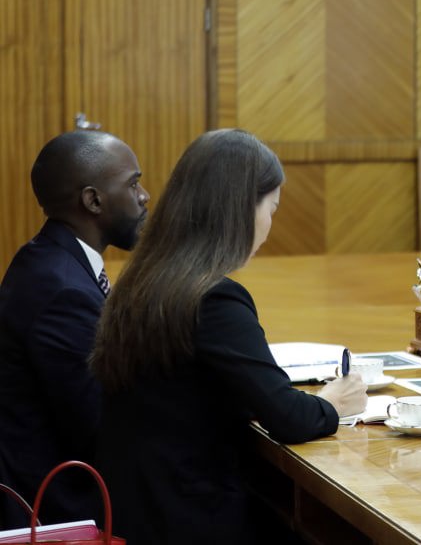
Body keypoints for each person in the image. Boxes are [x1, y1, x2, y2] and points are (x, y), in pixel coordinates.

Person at [91, 129, 367, 543]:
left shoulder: (144, 280)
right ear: (241, 210)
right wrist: (333, 402)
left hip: (137, 508)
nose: (269, 225)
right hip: (192, 518)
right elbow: (289, 418)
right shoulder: (214, 297)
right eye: (272, 208)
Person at [0, 130, 149, 527]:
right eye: (133, 184)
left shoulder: (48, 258)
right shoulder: (62, 291)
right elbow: (103, 431)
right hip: (60, 509)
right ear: (93, 200)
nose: (144, 196)